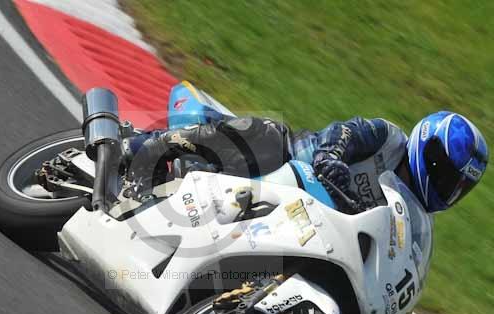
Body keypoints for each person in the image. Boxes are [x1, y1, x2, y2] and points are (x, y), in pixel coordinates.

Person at [127, 111, 488, 213]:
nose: (447, 190)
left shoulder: (410, 216)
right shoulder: (388, 138)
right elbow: (346, 131)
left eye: (458, 188)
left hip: (302, 222)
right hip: (288, 167)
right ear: (428, 150)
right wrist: (331, 156)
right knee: (269, 133)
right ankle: (144, 148)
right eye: (446, 177)